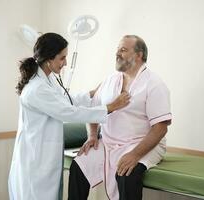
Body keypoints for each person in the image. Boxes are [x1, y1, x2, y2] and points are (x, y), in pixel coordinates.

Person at [8, 32, 131, 200]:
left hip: (45, 159)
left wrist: (91, 94)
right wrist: (111, 107)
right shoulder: (37, 89)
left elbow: (66, 100)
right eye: (62, 58)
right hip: (35, 163)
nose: (65, 63)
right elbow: (68, 112)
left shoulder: (48, 80)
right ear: (49, 58)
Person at [68, 35, 172, 200]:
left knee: (127, 174)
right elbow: (94, 108)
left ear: (139, 55)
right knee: (79, 166)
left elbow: (160, 128)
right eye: (117, 50)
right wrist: (93, 135)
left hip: (140, 143)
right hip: (109, 142)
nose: (117, 53)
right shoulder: (110, 80)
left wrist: (135, 155)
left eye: (123, 50)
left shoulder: (154, 83)